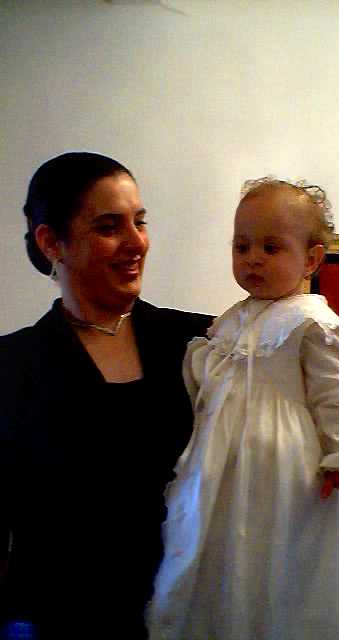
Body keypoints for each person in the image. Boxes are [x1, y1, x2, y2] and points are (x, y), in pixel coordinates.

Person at [147, 177, 339, 640]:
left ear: (311, 259)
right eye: (242, 247)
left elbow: (335, 395)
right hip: (219, 463)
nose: (253, 258)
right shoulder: (231, 319)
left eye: (271, 247)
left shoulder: (313, 323)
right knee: (218, 553)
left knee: (273, 561)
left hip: (283, 467)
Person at [0, 152, 211, 640]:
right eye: (109, 227)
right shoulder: (11, 367)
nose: (137, 242)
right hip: (62, 623)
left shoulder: (200, 344)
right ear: (51, 242)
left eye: (140, 221)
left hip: (186, 615)